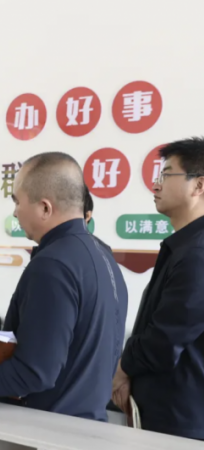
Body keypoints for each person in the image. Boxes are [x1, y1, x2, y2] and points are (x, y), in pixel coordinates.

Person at [0, 152, 128, 421]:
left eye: (17, 201)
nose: (14, 212)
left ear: (45, 208)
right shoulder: (102, 254)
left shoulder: (53, 265)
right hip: (86, 423)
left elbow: (35, 372)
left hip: (47, 427)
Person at [112, 137, 204, 440]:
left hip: (180, 420)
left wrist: (124, 367)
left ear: (199, 185)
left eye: (166, 175)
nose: (155, 185)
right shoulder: (185, 247)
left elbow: (165, 340)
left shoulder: (197, 253)